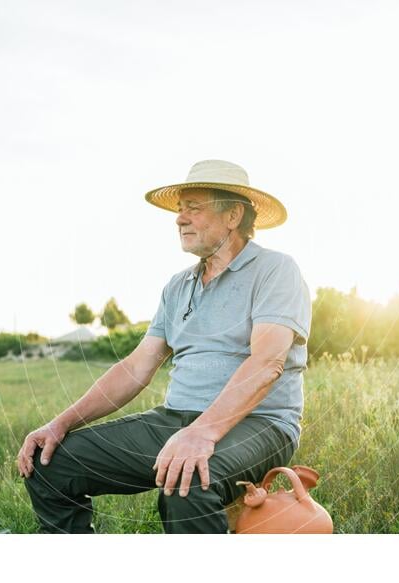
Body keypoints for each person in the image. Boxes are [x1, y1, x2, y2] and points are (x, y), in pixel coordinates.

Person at [19, 159, 312, 533]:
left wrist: (203, 432)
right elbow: (136, 367)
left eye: (194, 208)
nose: (180, 219)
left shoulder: (276, 270)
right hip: (177, 418)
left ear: (233, 215)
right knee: (54, 463)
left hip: (260, 423)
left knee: (189, 480)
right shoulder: (178, 286)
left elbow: (268, 362)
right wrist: (60, 424)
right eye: (179, 209)